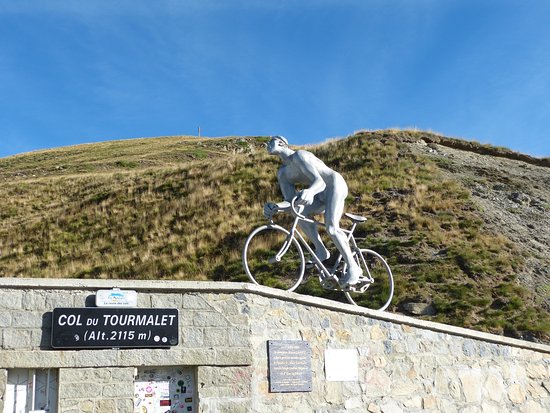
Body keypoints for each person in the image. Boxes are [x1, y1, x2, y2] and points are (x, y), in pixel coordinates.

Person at [263, 135, 362, 287]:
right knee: (297, 211)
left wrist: (309, 192)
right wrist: (275, 207)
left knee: (332, 228)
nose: (267, 145)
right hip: (318, 193)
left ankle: (354, 267)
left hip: (333, 185)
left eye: (271, 142)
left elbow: (320, 182)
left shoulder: (299, 156)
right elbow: (290, 202)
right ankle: (321, 250)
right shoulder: (282, 173)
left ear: (282, 143)